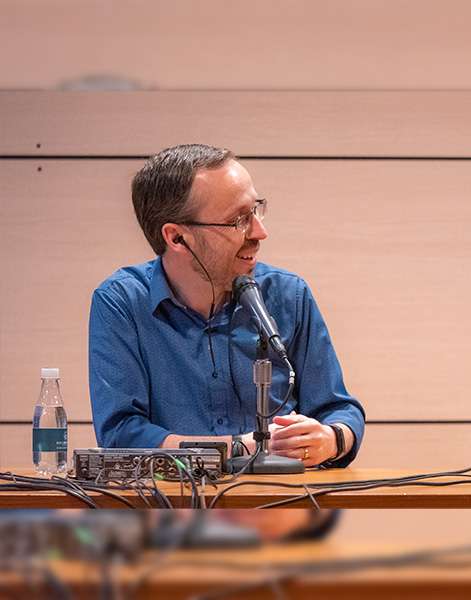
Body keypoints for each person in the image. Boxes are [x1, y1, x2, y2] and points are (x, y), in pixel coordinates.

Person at [89, 144, 365, 467]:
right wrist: (241, 449)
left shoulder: (289, 294)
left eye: (256, 210)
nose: (260, 232)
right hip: (171, 510)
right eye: (238, 221)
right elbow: (122, 434)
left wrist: (331, 439)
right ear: (177, 238)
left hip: (277, 510)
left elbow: (339, 409)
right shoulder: (121, 303)